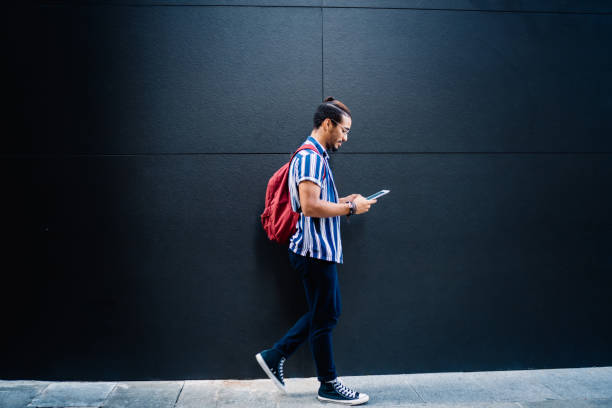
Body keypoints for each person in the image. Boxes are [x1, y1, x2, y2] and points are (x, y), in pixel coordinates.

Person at [255, 97, 377, 405]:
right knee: (325, 317)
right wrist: (350, 208)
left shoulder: (316, 156)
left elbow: (317, 200)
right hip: (313, 252)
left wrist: (346, 199)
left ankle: (275, 355)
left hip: (318, 251)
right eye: (344, 130)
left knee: (326, 313)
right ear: (327, 124)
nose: (345, 138)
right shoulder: (309, 157)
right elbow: (309, 205)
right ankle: (328, 384)